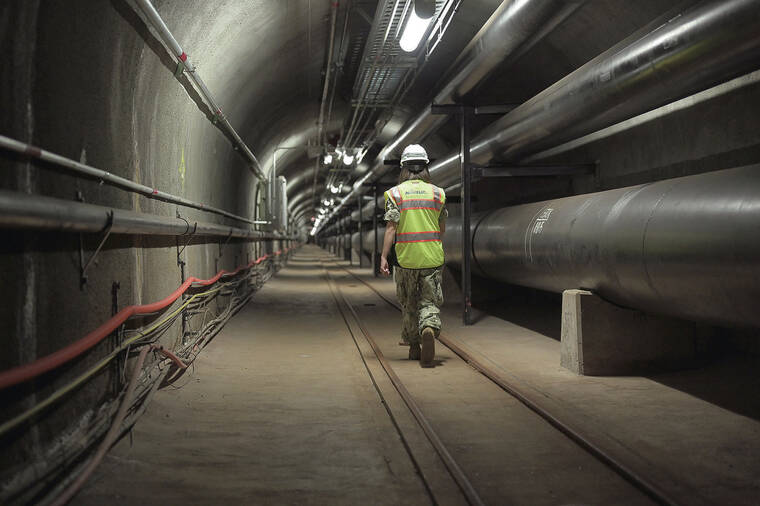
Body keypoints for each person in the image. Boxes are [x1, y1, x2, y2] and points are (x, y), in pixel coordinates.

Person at [380, 144, 447, 368]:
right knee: (429, 301)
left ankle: (413, 346)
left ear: (403, 168)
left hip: (406, 259)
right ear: (426, 166)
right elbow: (441, 228)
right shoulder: (438, 193)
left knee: (409, 303)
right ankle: (428, 327)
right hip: (431, 258)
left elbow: (391, 228)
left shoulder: (395, 194)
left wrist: (383, 257)